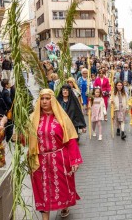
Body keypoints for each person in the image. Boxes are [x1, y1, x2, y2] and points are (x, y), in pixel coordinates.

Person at [28, 89, 83, 220]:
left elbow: (70, 140)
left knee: (62, 187)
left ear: (52, 100)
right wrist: (18, 135)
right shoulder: (32, 119)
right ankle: (45, 217)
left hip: (59, 159)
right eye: (42, 99)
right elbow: (27, 140)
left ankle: (64, 205)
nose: (44, 101)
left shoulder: (62, 118)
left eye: (47, 98)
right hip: (39, 161)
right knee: (41, 189)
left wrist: (74, 160)